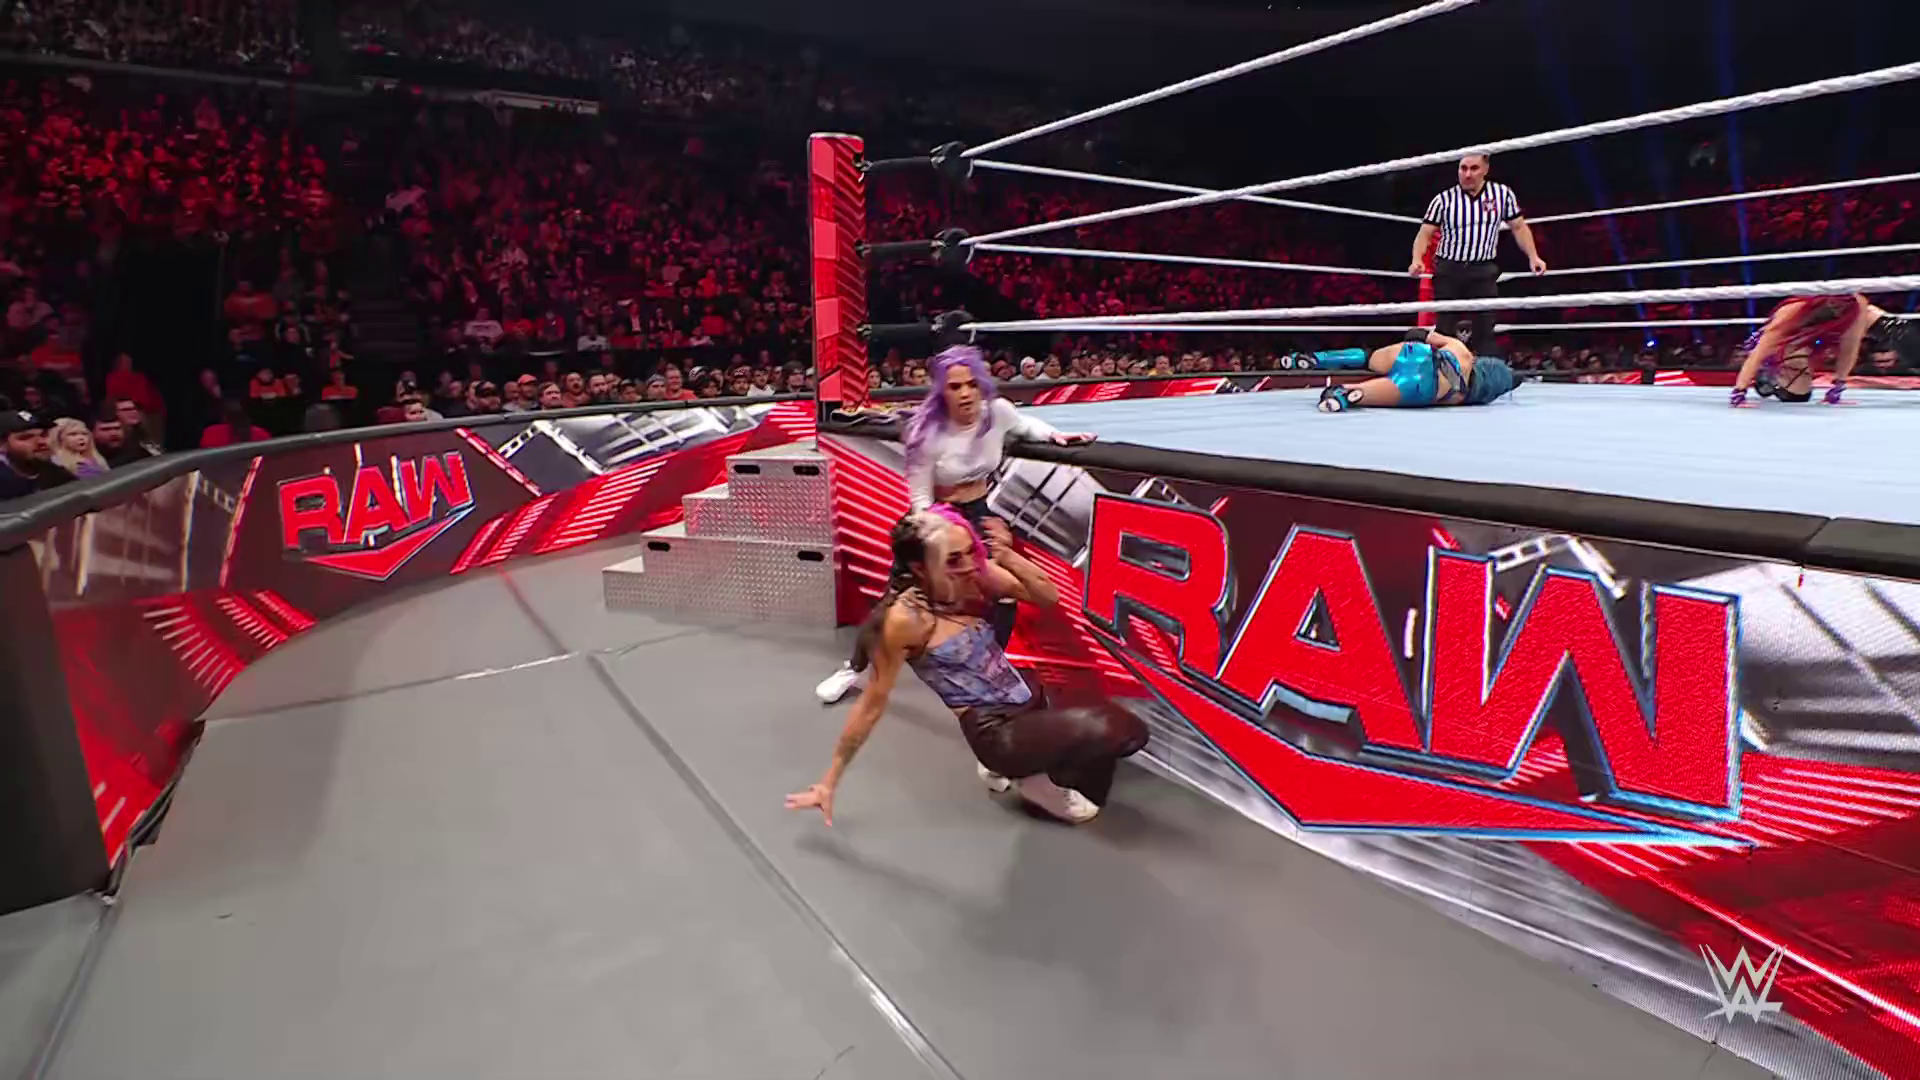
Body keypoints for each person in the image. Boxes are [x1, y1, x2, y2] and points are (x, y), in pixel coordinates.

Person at [787, 509, 1149, 826]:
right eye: (953, 560)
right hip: (994, 730)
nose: (968, 565)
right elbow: (871, 706)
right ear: (919, 568)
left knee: (1058, 707)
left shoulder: (976, 575)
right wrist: (829, 781)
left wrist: (1007, 555)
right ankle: (1029, 779)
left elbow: (1047, 596)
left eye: (969, 552)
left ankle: (1021, 768)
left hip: (1025, 698)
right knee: (1121, 730)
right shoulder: (905, 620)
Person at [815, 345, 1094, 705]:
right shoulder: (927, 432)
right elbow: (920, 497)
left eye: (971, 384)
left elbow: (1025, 425)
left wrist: (1054, 435)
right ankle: (853, 668)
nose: (965, 394)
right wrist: (938, 536)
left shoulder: (997, 413)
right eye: (955, 386)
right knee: (895, 600)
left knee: (1005, 595)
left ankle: (990, 673)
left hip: (979, 513)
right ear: (941, 392)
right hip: (935, 517)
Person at [1410, 154, 1547, 348]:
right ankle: (1443, 365)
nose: (1467, 174)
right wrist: (1417, 259)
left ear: (1485, 170)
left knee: (1485, 323)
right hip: (1449, 268)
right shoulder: (1443, 199)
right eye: (1463, 168)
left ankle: (1483, 364)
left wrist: (1533, 257)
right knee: (1445, 325)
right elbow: (1425, 233)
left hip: (1483, 268)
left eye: (1474, 168)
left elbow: (1518, 227)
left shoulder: (1502, 194)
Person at [1729, 294, 1916, 406]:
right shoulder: (1793, 311)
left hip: (1820, 338)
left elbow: (1849, 347)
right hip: (1788, 342)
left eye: (1841, 303)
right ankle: (1767, 376)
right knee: (1796, 395)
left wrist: (1837, 388)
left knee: (1906, 336)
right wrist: (1740, 392)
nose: (1837, 307)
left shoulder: (1855, 306)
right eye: (1834, 303)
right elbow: (1760, 350)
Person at [1292, 329, 1518, 411]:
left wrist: (1421, 337)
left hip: (1417, 353)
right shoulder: (1461, 398)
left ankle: (1316, 358)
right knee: (1353, 394)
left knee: (1369, 357)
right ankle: (1344, 395)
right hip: (1422, 386)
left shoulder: (1463, 352)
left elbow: (1419, 334)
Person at [0, 411, 76, 501]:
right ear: (2, 446)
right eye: (27, 437)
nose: (41, 442)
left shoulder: (58, 474)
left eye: (44, 435)